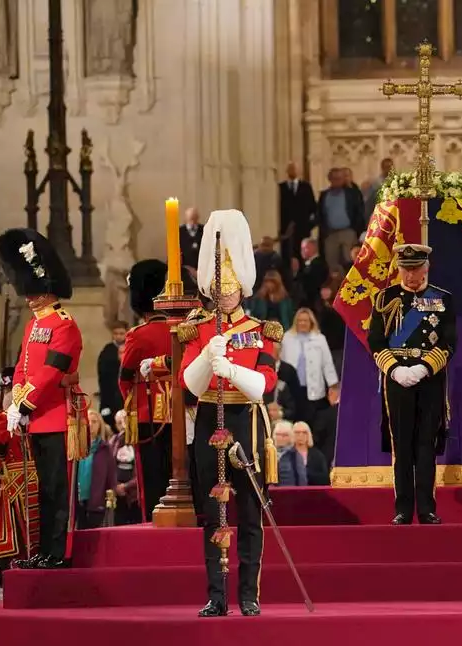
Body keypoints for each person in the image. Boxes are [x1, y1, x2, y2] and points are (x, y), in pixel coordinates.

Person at [180, 209, 281, 618]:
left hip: (246, 421)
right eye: (218, 289)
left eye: (230, 288)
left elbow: (265, 384)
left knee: (251, 514)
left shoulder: (261, 329)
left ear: (242, 288)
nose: (224, 295)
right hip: (209, 419)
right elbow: (189, 384)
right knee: (211, 513)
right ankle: (216, 595)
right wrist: (207, 358)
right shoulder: (199, 327)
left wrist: (233, 370)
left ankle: (249, 594)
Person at [0, 228, 87, 570]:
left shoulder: (64, 325)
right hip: (37, 417)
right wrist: (15, 400)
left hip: (57, 415)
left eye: (34, 292)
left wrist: (24, 403)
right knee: (43, 489)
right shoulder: (35, 325)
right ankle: (45, 550)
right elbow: (23, 366)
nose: (29, 298)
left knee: (56, 489)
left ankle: (58, 551)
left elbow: (51, 373)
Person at [367, 243, 457, 526]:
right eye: (405, 269)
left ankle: (427, 509)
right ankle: (403, 509)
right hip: (396, 379)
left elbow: (449, 342)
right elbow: (376, 341)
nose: (410, 276)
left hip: (429, 378)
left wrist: (423, 367)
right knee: (401, 445)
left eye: (416, 269)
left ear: (426, 268)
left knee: (425, 444)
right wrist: (394, 370)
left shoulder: (443, 300)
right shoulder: (385, 298)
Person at [120, 259, 175, 521]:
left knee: (151, 477)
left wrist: (131, 406)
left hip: (147, 412)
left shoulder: (138, 335)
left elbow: (124, 377)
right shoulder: (179, 330)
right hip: (180, 412)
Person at [0, 367, 41, 571]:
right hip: (38, 482)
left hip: (13, 486)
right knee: (36, 535)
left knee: (17, 540)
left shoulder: (2, 418)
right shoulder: (37, 416)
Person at [281, 307, 339, 427]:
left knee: (313, 421)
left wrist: (333, 386)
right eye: (300, 320)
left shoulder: (319, 338)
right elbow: (281, 363)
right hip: (292, 389)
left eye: (306, 320)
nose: (302, 323)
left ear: (311, 322)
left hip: (314, 387)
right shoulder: (287, 338)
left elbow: (327, 364)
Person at [74, 408, 116, 528]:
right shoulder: (75, 447)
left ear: (100, 425)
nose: (91, 425)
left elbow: (111, 475)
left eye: (94, 422)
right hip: (78, 500)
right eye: (88, 421)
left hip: (97, 501)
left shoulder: (105, 448)